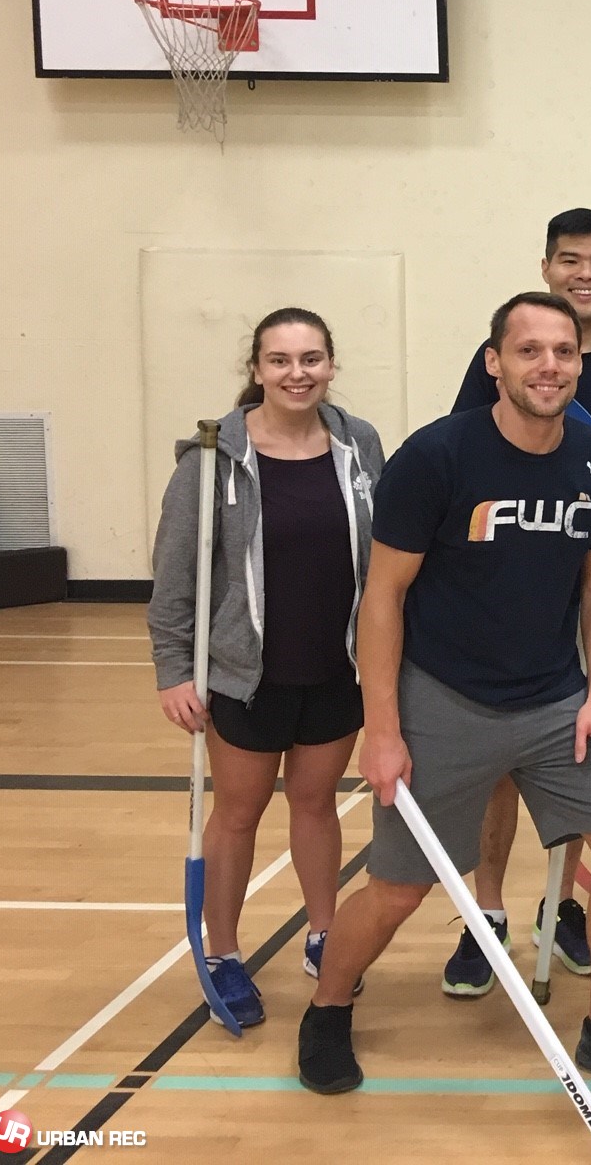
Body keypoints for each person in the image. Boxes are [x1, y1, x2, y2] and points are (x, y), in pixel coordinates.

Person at [297, 293, 591, 1101]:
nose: (549, 366)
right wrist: (383, 729)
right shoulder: (437, 456)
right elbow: (383, 597)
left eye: (564, 352)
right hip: (445, 701)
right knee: (399, 890)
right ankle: (328, 1007)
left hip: (555, 703)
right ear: (495, 364)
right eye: (530, 351)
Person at [443, 207, 591, 997]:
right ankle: (488, 914)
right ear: (547, 268)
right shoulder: (505, 356)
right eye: (570, 261)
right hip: (511, 590)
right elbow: (475, 454)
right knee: (502, 768)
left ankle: (561, 906)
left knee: (583, 747)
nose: (587, 275)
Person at [148, 308, 383, 1030]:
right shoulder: (212, 458)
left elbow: (385, 552)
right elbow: (174, 576)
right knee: (240, 813)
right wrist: (172, 669)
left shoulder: (359, 445)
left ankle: (323, 933)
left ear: (331, 365)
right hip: (245, 674)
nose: (297, 373)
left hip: (335, 667)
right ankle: (223, 952)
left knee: (315, 805)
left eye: (311, 358)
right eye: (280, 360)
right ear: (256, 370)